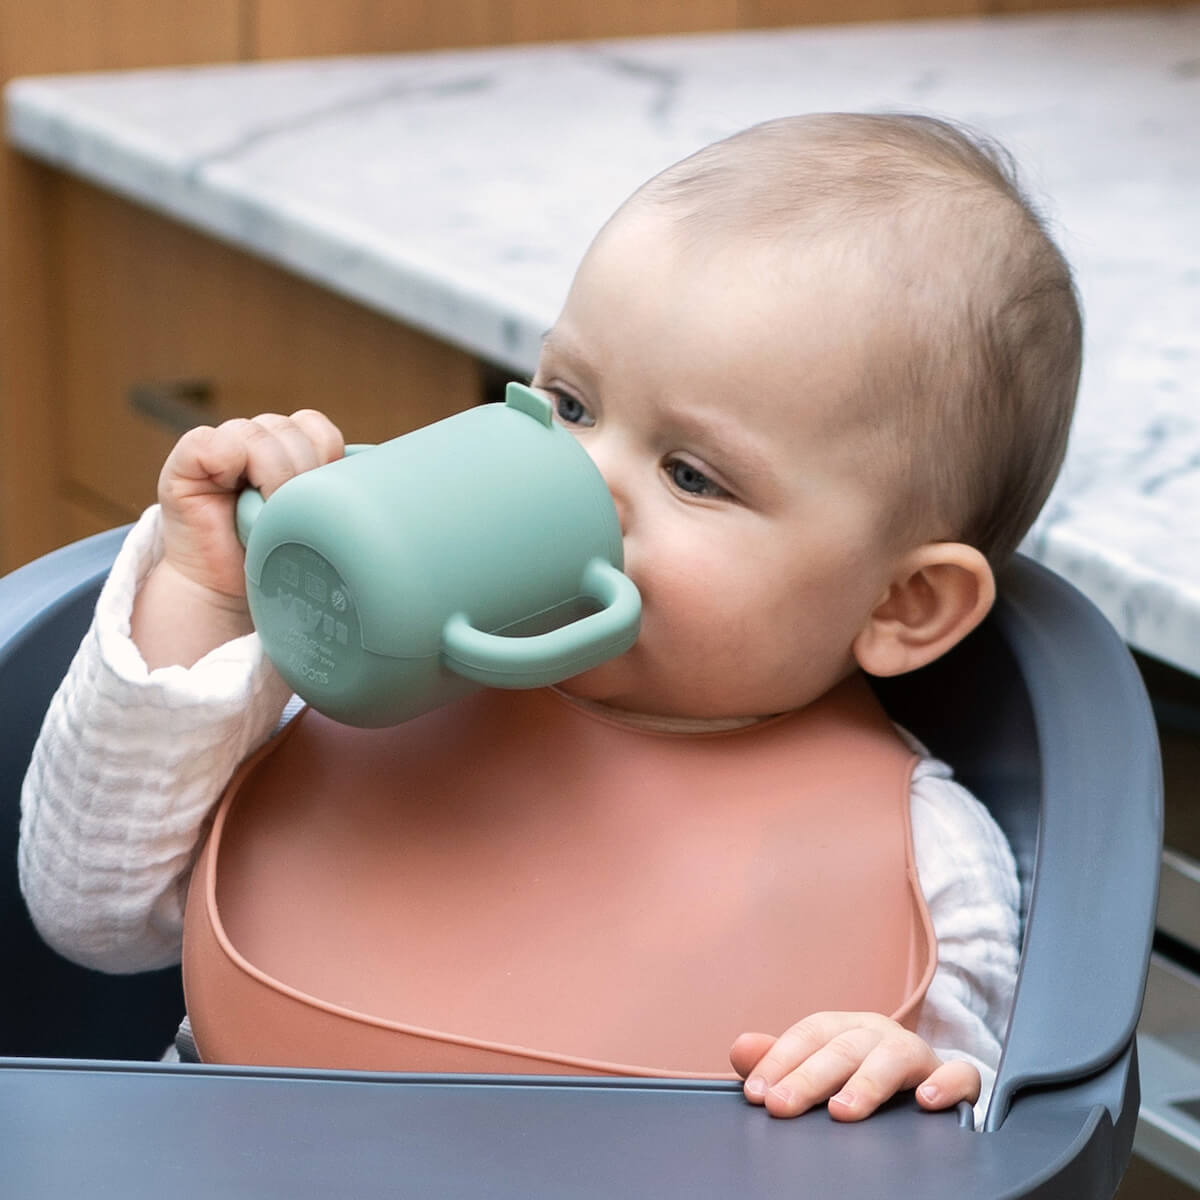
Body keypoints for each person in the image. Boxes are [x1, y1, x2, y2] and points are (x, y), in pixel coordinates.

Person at [19, 112, 1081, 1128]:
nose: (577, 479)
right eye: (569, 405)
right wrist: (208, 602)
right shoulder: (368, 666)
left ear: (903, 604)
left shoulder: (924, 859)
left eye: (691, 475)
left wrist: (913, 1083)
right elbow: (93, 917)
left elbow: (986, 1138)